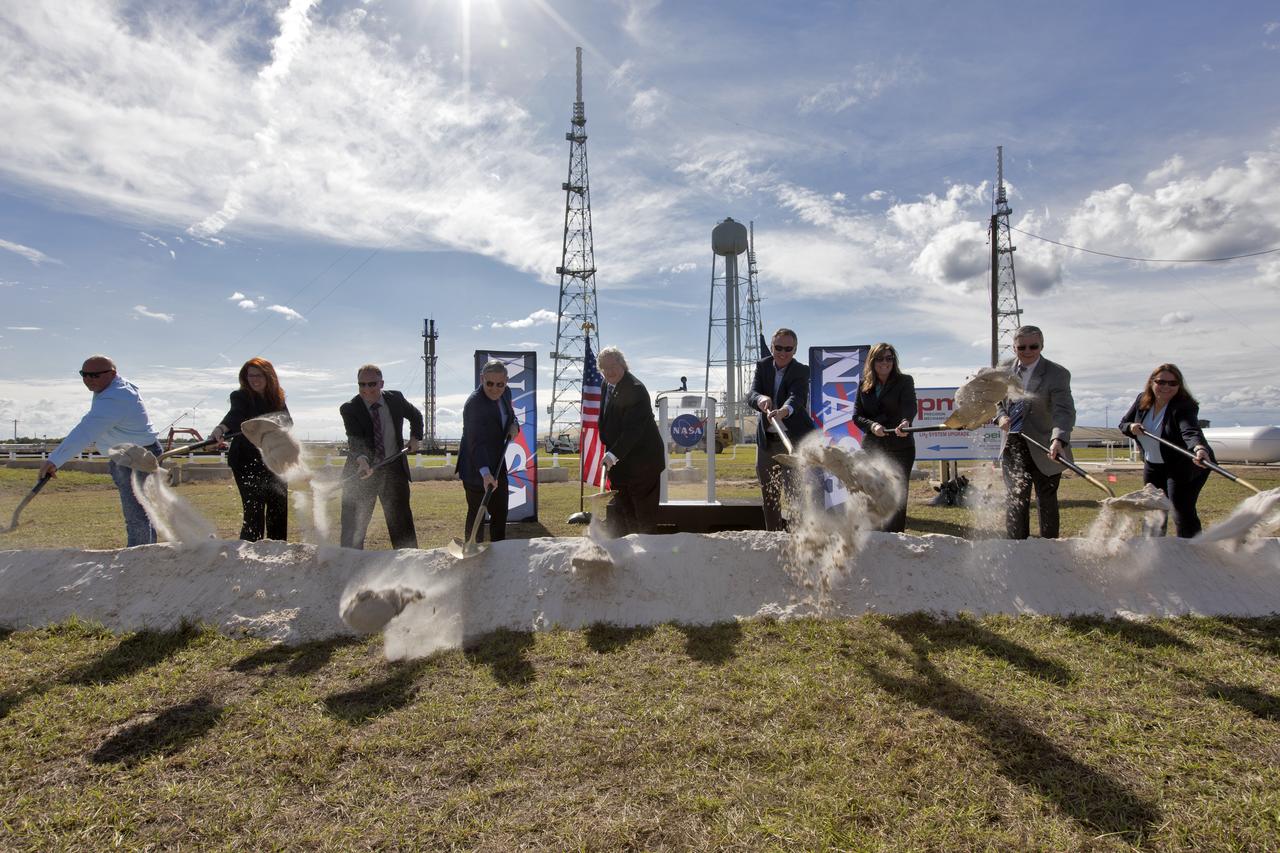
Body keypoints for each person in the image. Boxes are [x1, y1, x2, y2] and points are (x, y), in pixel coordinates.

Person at [39, 355, 162, 546]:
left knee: (136, 512)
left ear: (112, 374)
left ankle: (137, 558)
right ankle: (146, 553)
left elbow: (86, 430)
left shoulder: (116, 397)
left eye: (95, 375)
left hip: (137, 457)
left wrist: (54, 460)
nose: (88, 380)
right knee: (142, 509)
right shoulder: (110, 390)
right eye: (84, 375)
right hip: (125, 454)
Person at [995, 325, 1076, 540]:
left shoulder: (1057, 373)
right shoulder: (1003, 369)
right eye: (1022, 347)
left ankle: (1049, 550)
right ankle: (1016, 548)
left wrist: (1058, 438)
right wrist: (1001, 416)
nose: (1028, 351)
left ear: (1042, 346)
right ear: (1014, 348)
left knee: (1046, 500)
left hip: (1045, 445)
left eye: (1034, 346)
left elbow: (1064, 410)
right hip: (1013, 444)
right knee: (1015, 498)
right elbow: (996, 400)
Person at [1118, 364, 1214, 538]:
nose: (1166, 387)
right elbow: (1123, 424)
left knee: (1181, 509)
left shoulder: (1184, 406)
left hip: (1183, 465)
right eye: (1161, 382)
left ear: (1179, 385)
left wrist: (1199, 448)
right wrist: (1131, 427)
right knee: (1153, 508)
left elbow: (1190, 430)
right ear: (1151, 382)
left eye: (1172, 383)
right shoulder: (1142, 400)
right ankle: (1151, 549)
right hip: (1153, 465)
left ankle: (1192, 551)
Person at [338, 364, 423, 550]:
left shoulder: (396, 399)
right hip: (362, 472)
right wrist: (362, 459)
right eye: (362, 385)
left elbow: (416, 416)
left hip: (393, 470)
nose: (366, 390)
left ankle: (408, 564)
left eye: (372, 384)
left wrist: (415, 437)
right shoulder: (349, 408)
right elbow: (355, 439)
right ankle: (349, 568)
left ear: (381, 383)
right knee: (354, 527)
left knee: (401, 523)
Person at [209, 358, 290, 542]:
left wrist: (273, 426)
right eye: (250, 375)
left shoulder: (277, 397)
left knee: (279, 507)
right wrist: (221, 429)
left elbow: (287, 421)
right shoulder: (241, 396)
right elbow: (235, 415)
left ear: (269, 376)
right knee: (254, 509)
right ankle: (249, 554)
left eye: (258, 375)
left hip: (273, 459)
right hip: (245, 460)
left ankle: (278, 550)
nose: (254, 379)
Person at [747, 328, 817, 531]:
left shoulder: (801, 370)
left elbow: (797, 397)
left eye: (788, 348)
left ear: (795, 350)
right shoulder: (762, 366)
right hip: (767, 443)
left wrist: (783, 411)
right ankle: (773, 537)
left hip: (793, 441)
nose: (783, 352)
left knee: (795, 494)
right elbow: (751, 393)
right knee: (769, 495)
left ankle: (799, 540)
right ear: (771, 347)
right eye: (778, 347)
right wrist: (761, 399)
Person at [597, 346, 666, 535]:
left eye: (613, 366)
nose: (609, 371)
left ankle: (646, 554)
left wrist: (612, 454)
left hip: (643, 463)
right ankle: (627, 553)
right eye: (604, 368)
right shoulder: (607, 384)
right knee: (624, 510)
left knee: (643, 515)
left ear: (623, 365)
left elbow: (633, 431)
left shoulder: (635, 389)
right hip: (621, 463)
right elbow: (607, 419)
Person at [853, 342, 917, 533]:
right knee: (871, 493)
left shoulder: (905, 381)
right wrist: (872, 425)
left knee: (896, 496)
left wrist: (906, 422)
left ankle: (895, 539)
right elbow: (857, 416)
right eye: (880, 358)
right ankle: (872, 538)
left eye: (889, 358)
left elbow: (910, 406)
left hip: (900, 447)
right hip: (872, 448)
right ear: (872, 361)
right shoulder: (864, 385)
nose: (885, 362)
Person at [457, 360, 520, 543]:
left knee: (500, 511)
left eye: (500, 384)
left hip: (498, 462)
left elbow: (511, 415)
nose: (494, 389)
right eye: (489, 383)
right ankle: (471, 551)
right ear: (482, 378)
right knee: (477, 511)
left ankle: (498, 553)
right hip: (475, 466)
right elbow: (475, 442)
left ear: (506, 381)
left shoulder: (505, 392)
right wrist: (485, 473)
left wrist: (514, 425)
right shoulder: (474, 404)